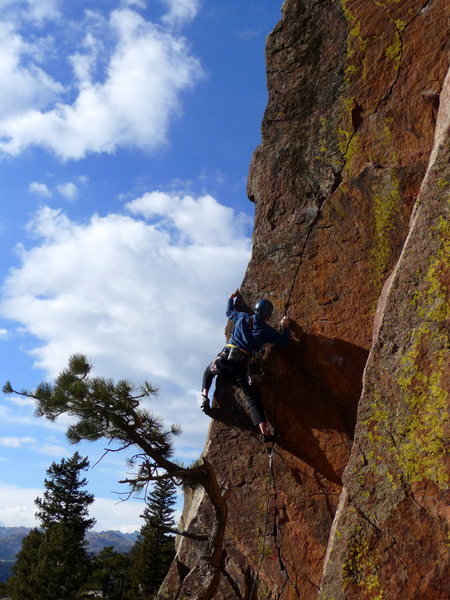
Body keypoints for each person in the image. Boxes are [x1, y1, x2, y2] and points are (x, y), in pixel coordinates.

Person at [201, 289, 290, 440]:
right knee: (252, 399)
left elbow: (229, 312)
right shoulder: (267, 331)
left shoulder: (241, 317)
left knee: (208, 372)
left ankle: (204, 396)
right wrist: (286, 326)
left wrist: (231, 298)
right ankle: (265, 432)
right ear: (267, 315)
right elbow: (284, 341)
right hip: (239, 369)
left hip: (222, 361)